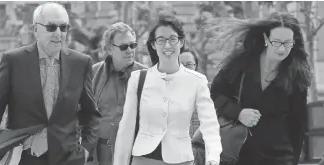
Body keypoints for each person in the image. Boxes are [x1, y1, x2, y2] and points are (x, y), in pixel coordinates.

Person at [0, 2, 102, 165]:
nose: (58, 34)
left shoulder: (81, 63)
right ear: (35, 30)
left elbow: (91, 114)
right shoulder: (13, 61)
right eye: (51, 28)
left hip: (68, 159)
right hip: (24, 157)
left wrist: (85, 150)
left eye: (63, 28)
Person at [113, 13, 222, 165]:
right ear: (153, 44)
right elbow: (126, 130)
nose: (167, 45)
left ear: (181, 42)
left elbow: (210, 125)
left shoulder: (197, 81)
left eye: (172, 39)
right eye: (161, 40)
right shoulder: (138, 79)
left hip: (181, 159)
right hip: (143, 159)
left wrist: (213, 158)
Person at [210, 12, 311, 165]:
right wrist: (238, 113)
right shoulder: (242, 63)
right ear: (265, 39)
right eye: (276, 42)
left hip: (279, 156)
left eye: (287, 43)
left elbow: (297, 124)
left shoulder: (296, 73)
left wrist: (294, 161)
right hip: (239, 152)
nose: (282, 49)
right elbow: (214, 93)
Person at [92, 22, 147, 165]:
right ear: (109, 49)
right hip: (99, 155)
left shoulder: (146, 76)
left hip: (133, 154)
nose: (130, 50)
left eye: (133, 45)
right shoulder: (93, 73)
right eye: (124, 47)